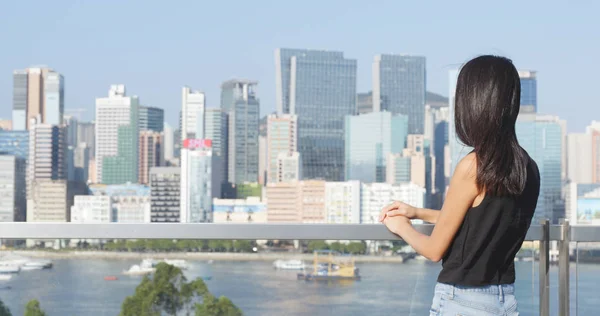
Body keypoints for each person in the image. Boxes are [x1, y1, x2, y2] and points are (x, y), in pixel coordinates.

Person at [379, 55, 540, 316]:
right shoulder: (528, 168)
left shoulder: (474, 165)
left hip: (462, 302)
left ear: (472, 102)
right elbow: (478, 221)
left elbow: (433, 250)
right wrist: (418, 212)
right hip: (504, 301)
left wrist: (402, 227)